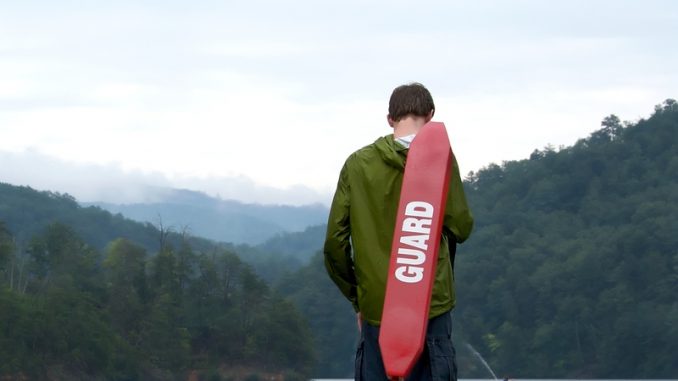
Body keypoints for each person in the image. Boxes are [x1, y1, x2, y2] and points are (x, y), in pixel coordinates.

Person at [323, 82, 474, 381]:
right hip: (430, 305)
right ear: (430, 116)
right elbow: (461, 226)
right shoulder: (441, 159)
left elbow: (334, 245)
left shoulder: (357, 164)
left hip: (378, 310)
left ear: (390, 118)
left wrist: (360, 299)